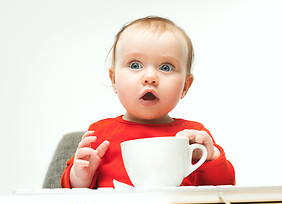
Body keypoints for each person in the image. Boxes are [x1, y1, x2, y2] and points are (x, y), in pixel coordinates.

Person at [61, 16, 235, 188]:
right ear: (114, 80)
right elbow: (69, 188)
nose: (150, 78)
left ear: (185, 86)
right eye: (135, 65)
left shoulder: (194, 136)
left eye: (165, 67)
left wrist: (210, 156)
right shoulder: (99, 133)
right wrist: (80, 175)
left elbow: (225, 188)